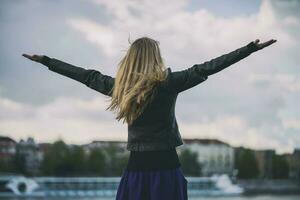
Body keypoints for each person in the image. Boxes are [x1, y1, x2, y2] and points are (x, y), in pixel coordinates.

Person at [22, 36, 276, 200]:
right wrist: (249, 49)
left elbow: (86, 76)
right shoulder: (169, 83)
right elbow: (210, 66)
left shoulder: (120, 88)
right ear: (155, 57)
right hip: (166, 169)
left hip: (136, 170)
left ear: (131, 59)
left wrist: (47, 61)